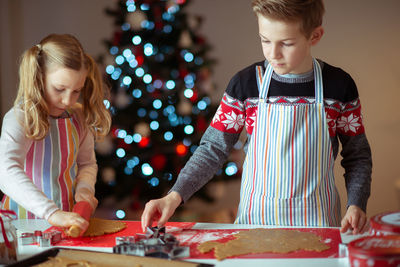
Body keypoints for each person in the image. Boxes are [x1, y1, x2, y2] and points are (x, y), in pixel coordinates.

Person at [141, 0, 372, 234]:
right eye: (265, 40)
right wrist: (174, 195)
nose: (273, 53)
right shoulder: (246, 85)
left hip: (319, 226)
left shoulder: (339, 87)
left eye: (287, 43)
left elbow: (357, 155)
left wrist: (356, 204)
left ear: (315, 36)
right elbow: (213, 149)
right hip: (255, 226)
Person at [0, 33, 111, 235]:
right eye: (59, 89)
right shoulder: (20, 118)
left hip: (67, 223)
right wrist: (51, 212)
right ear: (39, 78)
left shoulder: (79, 117)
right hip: (20, 226)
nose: (68, 100)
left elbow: (87, 163)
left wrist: (85, 189)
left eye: (76, 90)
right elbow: (6, 170)